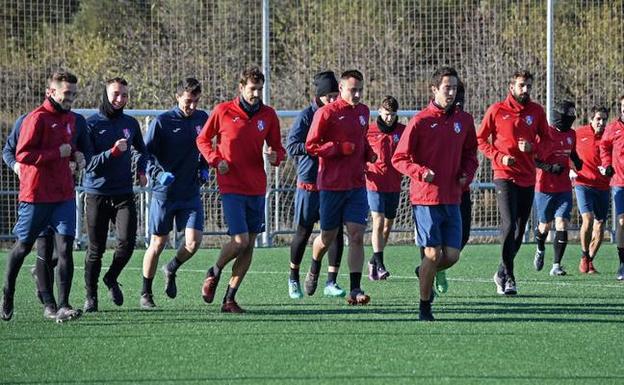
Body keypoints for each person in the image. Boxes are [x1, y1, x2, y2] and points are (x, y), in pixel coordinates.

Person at [392, 66, 478, 321]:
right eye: (446, 88)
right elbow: (399, 158)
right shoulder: (420, 121)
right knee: (432, 253)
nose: (451, 92)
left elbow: (471, 154)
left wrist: (466, 174)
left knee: (451, 255)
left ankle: (424, 272)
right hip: (425, 199)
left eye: (454, 88)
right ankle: (424, 306)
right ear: (434, 90)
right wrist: (419, 172)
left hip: (453, 196)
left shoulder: (464, 121)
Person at [198, 67, 285, 313]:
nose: (256, 94)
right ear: (241, 87)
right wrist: (215, 160)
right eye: (252, 89)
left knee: (249, 245)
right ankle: (214, 271)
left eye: (259, 89)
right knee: (240, 240)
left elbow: (279, 150)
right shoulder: (222, 111)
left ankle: (229, 299)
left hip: (257, 186)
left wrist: (275, 155)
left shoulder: (269, 115)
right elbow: (202, 140)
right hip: (231, 185)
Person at [1, 70, 86, 322]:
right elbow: (22, 155)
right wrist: (56, 153)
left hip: (64, 195)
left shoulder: (71, 119)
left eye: (73, 93)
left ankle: (64, 305)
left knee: (65, 249)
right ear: (51, 92)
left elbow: (68, 149)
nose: (71, 97)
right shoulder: (35, 119)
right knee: (23, 247)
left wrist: (76, 155)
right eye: (66, 92)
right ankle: (8, 292)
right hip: (36, 194)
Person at [304, 69, 377, 305]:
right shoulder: (326, 113)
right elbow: (311, 146)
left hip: (356, 184)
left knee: (356, 235)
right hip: (331, 186)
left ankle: (355, 289)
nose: (356, 95)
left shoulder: (364, 112)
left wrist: (368, 152)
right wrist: (337, 148)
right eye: (352, 90)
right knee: (327, 237)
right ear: (342, 89)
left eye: (360, 90)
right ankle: (315, 266)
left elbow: (362, 138)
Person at [477, 70, 549, 295]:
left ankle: (500, 271)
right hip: (504, 175)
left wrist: (533, 148)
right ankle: (509, 278)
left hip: (528, 177)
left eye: (528, 85)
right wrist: (499, 157)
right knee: (508, 225)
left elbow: (547, 141)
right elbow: (480, 139)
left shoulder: (536, 111)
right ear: (511, 87)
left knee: (519, 230)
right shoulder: (497, 110)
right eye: (521, 85)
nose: (525, 90)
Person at [141, 78, 209, 309]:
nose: (192, 106)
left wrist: (204, 168)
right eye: (188, 101)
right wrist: (157, 174)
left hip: (190, 191)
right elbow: (146, 154)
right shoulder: (162, 122)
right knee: (158, 243)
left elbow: (206, 147)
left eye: (196, 101)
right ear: (178, 97)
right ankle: (146, 292)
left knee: (193, 242)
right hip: (165, 193)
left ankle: (171, 268)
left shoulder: (202, 118)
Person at [82, 77, 148, 312]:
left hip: (123, 193)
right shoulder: (90, 124)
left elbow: (143, 150)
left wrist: (141, 169)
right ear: (106, 94)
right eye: (116, 94)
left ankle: (111, 277)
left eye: (125, 95)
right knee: (95, 249)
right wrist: (112, 152)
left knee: (128, 243)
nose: (120, 99)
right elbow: (89, 164)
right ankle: (91, 297)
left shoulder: (130, 123)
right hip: (97, 193)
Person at [285, 71, 346, 299]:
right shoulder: (307, 115)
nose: (332, 100)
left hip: (333, 183)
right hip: (310, 183)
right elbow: (292, 146)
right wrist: (318, 148)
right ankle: (293, 277)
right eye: (327, 95)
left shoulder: (341, 114)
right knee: (303, 231)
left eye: (334, 94)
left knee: (335, 232)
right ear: (318, 95)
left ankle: (331, 281)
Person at [533, 101, 582, 276]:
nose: (572, 116)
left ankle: (556, 265)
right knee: (544, 226)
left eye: (573, 113)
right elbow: (534, 159)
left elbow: (571, 151)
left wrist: (577, 161)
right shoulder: (545, 134)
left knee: (562, 223)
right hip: (544, 187)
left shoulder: (572, 134)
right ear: (559, 116)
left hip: (564, 187)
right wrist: (550, 168)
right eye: (568, 113)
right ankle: (540, 249)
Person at [365, 95, 405, 280]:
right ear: (380, 111)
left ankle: (374, 260)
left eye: (393, 114)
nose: (389, 118)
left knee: (387, 226)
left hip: (394, 184)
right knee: (378, 222)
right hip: (374, 183)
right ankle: (380, 265)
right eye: (387, 114)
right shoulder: (369, 131)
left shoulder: (402, 131)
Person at [574, 106, 610, 275]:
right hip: (583, 184)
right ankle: (583, 256)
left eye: (604, 119)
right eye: (598, 119)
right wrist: (570, 168)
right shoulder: (578, 134)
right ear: (591, 120)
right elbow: (567, 152)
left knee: (600, 225)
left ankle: (590, 260)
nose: (601, 123)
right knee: (587, 219)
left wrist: (611, 169)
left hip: (603, 186)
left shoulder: (610, 137)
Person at [600, 95, 624, 280]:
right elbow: (604, 148)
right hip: (619, 182)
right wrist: (607, 165)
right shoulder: (613, 129)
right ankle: (622, 263)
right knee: (622, 222)